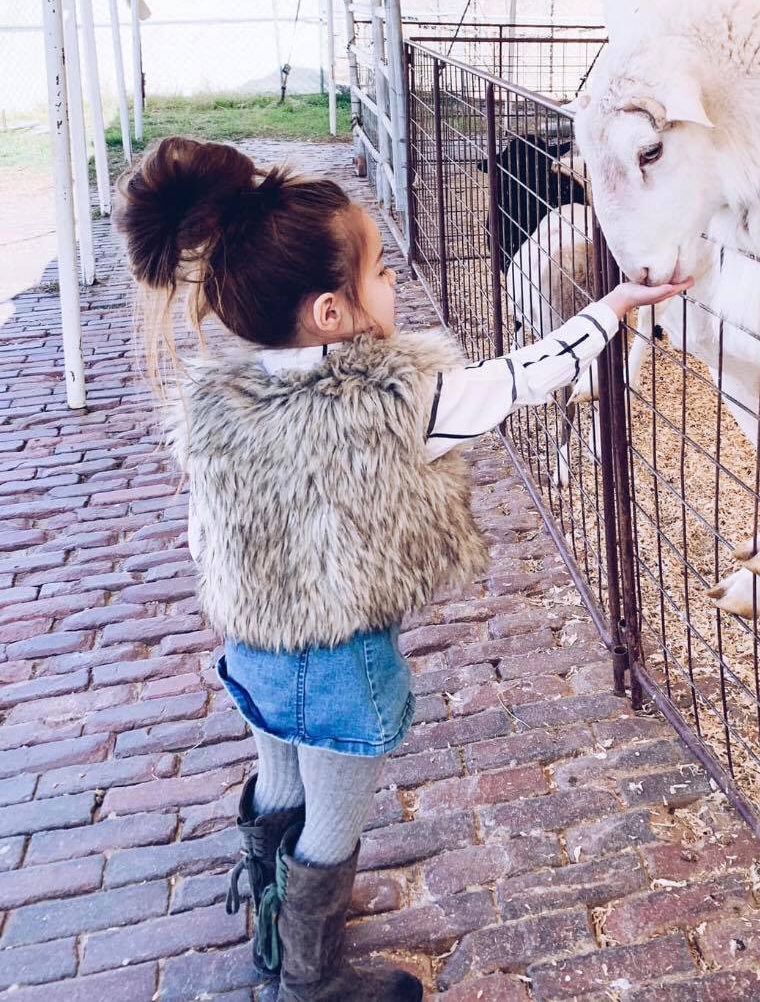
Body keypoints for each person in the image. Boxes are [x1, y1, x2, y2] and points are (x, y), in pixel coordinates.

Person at [116, 136, 689, 1001]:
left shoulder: (211, 402)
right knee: (333, 821)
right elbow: (521, 378)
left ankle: (272, 927)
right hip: (339, 660)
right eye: (380, 271)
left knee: (280, 781)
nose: (392, 285)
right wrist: (609, 307)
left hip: (253, 645)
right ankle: (309, 980)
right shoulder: (393, 403)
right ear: (331, 311)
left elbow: (207, 532)